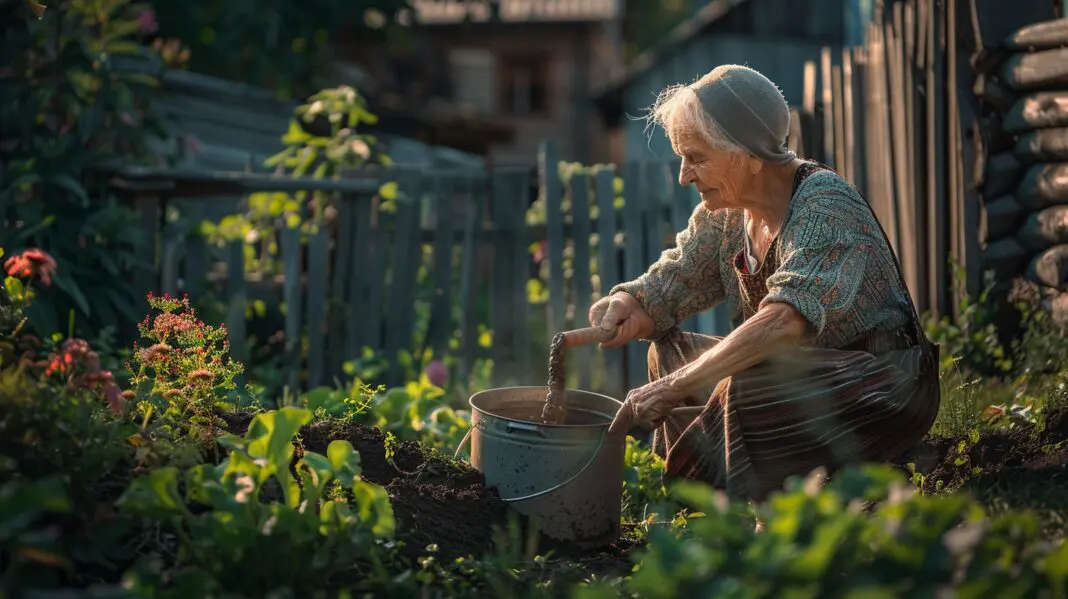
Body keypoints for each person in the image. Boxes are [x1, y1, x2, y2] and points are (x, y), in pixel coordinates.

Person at [591, 64, 941, 501]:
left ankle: (739, 512)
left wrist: (673, 388)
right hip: (801, 377)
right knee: (670, 354)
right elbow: (674, 281)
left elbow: (783, 323)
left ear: (748, 154)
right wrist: (631, 303)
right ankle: (709, 502)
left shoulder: (824, 205)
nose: (684, 175)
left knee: (742, 385)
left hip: (888, 384)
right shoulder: (729, 214)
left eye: (697, 158)